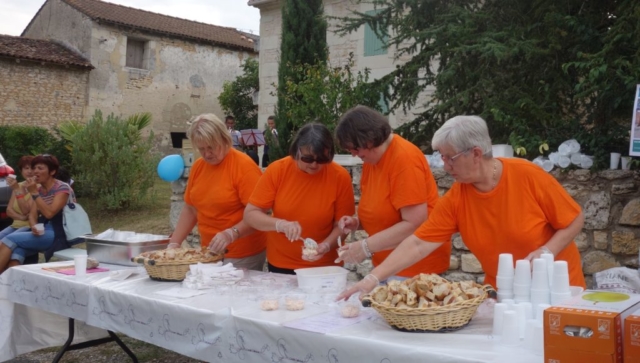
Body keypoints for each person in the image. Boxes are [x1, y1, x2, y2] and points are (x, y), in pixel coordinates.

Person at [338, 115, 586, 300]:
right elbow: (418, 243)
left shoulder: (528, 176)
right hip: (505, 293)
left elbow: (575, 219)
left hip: (558, 290)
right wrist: (372, 278)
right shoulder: (459, 195)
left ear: (476, 153)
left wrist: (547, 251)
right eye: (441, 157)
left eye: (449, 157)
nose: (444, 166)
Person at [333, 105, 447, 278]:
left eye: (355, 149)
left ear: (368, 140)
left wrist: (365, 246)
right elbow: (383, 211)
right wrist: (357, 222)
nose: (354, 155)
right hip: (388, 264)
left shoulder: (404, 159)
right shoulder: (372, 160)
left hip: (415, 268)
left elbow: (414, 223)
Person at [243, 123, 355, 274]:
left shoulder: (340, 176)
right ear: (296, 151)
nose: (315, 164)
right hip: (282, 263)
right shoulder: (278, 170)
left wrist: (326, 245)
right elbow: (251, 214)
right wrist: (280, 224)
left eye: (322, 159)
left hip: (324, 265)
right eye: (307, 159)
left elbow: (342, 226)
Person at [168, 113, 266, 271]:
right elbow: (191, 209)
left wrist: (232, 233)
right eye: (201, 149)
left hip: (242, 254)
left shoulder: (244, 167)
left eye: (211, 147)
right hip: (210, 251)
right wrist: (174, 243)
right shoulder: (199, 167)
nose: (207, 154)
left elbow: (259, 214)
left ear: (224, 139)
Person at [0, 154, 72, 272]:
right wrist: (34, 226)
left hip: (60, 233)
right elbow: (32, 214)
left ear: (52, 171)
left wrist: (34, 193)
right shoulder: (39, 189)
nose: (35, 172)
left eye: (40, 168)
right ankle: (11, 284)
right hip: (45, 230)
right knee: (17, 250)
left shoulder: (62, 188)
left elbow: (50, 213)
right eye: (34, 168)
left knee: (10, 239)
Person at [0, 156, 35, 242]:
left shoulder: (37, 187)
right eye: (26, 168)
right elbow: (9, 210)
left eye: (32, 168)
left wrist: (17, 190)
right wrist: (21, 217)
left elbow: (26, 210)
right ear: (21, 171)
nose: (29, 171)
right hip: (15, 225)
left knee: (4, 243)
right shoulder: (18, 185)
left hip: (29, 226)